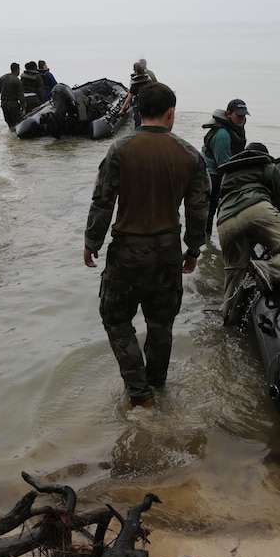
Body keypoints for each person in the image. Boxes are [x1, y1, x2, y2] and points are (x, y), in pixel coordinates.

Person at [84, 81, 210, 408]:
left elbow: (102, 201)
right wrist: (193, 249)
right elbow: (199, 210)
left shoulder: (120, 150)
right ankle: (156, 385)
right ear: (171, 113)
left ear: (139, 112)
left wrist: (91, 241)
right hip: (168, 252)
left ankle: (140, 393)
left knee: (114, 317)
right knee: (161, 324)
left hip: (126, 251)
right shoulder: (189, 155)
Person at [216, 143, 280, 324]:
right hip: (257, 210)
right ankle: (266, 269)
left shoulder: (228, 173)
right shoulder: (269, 167)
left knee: (234, 275)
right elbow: (279, 202)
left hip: (225, 221)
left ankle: (227, 323)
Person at [201, 98, 249, 236]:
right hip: (211, 173)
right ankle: (206, 240)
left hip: (220, 169)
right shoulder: (222, 134)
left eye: (244, 116)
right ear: (229, 114)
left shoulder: (237, 128)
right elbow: (224, 164)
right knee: (210, 210)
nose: (242, 119)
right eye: (238, 115)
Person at [0, 62, 26, 129]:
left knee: (9, 124)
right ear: (18, 69)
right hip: (13, 104)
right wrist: (23, 108)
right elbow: (21, 96)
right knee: (17, 123)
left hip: (4, 104)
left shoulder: (3, 78)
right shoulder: (17, 81)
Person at [120, 62, 152, 128]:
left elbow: (129, 97)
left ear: (135, 71)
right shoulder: (148, 81)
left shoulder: (135, 84)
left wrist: (122, 109)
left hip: (138, 103)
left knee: (137, 122)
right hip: (148, 102)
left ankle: (138, 133)